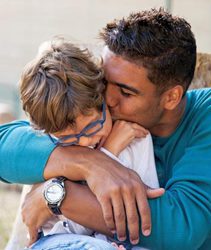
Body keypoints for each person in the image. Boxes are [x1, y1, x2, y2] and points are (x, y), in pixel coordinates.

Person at [1, 7, 211, 250]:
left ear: (171, 98)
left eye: (125, 92)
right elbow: (7, 145)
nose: (107, 100)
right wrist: (90, 163)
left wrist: (58, 197)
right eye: (105, 84)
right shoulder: (101, 126)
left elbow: (181, 228)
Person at [19, 38, 162, 250]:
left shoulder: (135, 139)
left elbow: (140, 212)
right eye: (70, 138)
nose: (86, 141)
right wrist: (106, 154)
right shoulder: (53, 151)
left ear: (103, 98)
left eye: (93, 126)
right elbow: (70, 228)